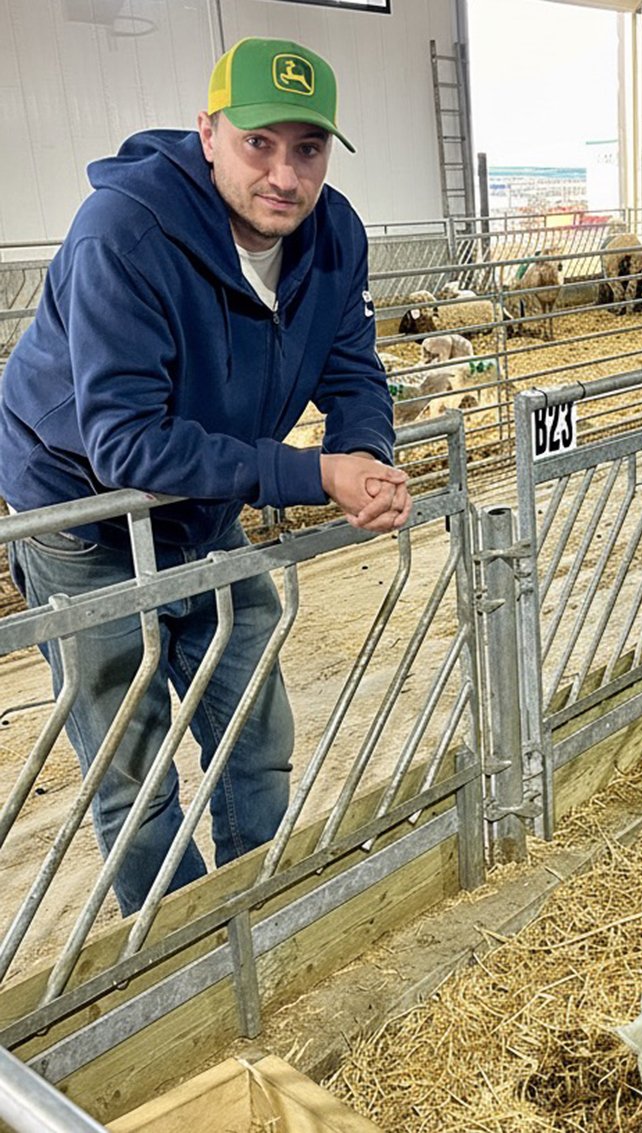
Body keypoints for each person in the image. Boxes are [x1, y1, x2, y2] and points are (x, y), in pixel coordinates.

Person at [0, 36, 410, 914]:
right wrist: (312, 474)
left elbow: (353, 367)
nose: (286, 176)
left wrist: (367, 450)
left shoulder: (331, 233)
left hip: (206, 497)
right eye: (259, 143)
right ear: (208, 132)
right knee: (133, 761)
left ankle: (257, 909)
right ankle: (176, 960)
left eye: (308, 149)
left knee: (254, 723)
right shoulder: (125, 234)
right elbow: (128, 445)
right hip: (82, 513)